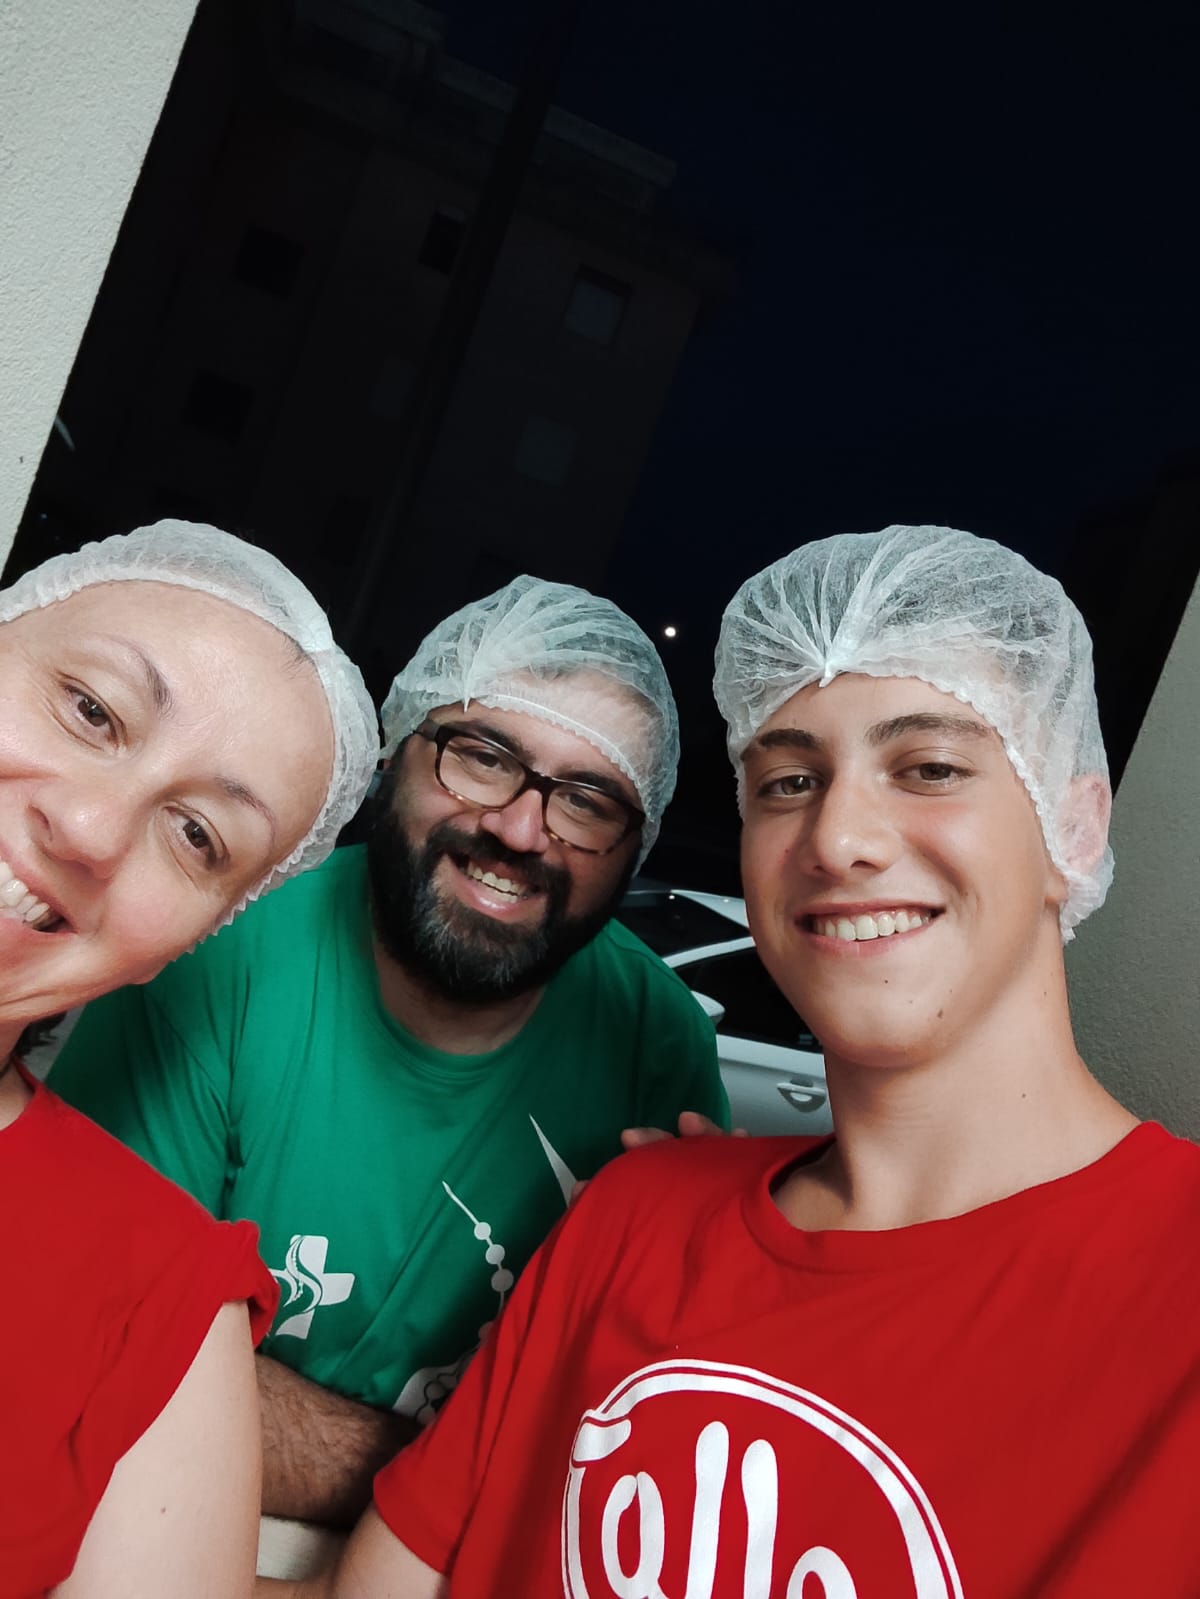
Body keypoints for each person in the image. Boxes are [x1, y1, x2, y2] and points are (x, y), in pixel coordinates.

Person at [269, 525, 1199, 1598]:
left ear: (1074, 829)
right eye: (789, 782)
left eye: (930, 768)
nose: (837, 838)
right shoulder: (631, 1213)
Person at [51, 573, 727, 1529]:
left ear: (633, 848)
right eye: (482, 756)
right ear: (394, 753)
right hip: (154, 1519)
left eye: (587, 800)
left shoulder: (656, 1036)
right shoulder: (221, 948)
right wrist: (444, 1478)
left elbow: (635, 1425)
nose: (519, 830)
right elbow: (91, 1355)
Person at [0, 518, 378, 1598]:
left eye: (198, 836)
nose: (90, 827)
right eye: (91, 708)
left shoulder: (160, 1309)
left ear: (185, 944)